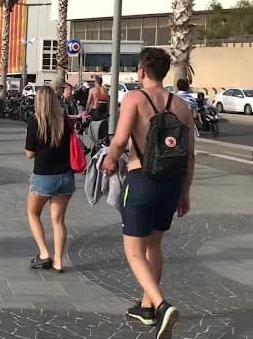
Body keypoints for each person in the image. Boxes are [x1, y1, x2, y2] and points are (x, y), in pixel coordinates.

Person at [102, 48, 195, 337]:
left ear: (142, 71)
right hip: (171, 184)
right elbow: (190, 155)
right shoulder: (182, 105)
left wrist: (109, 160)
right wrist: (185, 192)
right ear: (165, 72)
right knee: (154, 246)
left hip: (141, 179)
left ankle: (162, 305)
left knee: (134, 251)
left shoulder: (134, 98)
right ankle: (146, 307)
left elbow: (120, 140)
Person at [25, 87, 74, 272]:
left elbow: (29, 154)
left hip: (43, 176)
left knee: (33, 213)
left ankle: (44, 253)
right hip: (65, 175)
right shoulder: (64, 120)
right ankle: (59, 262)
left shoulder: (35, 121)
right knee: (58, 220)